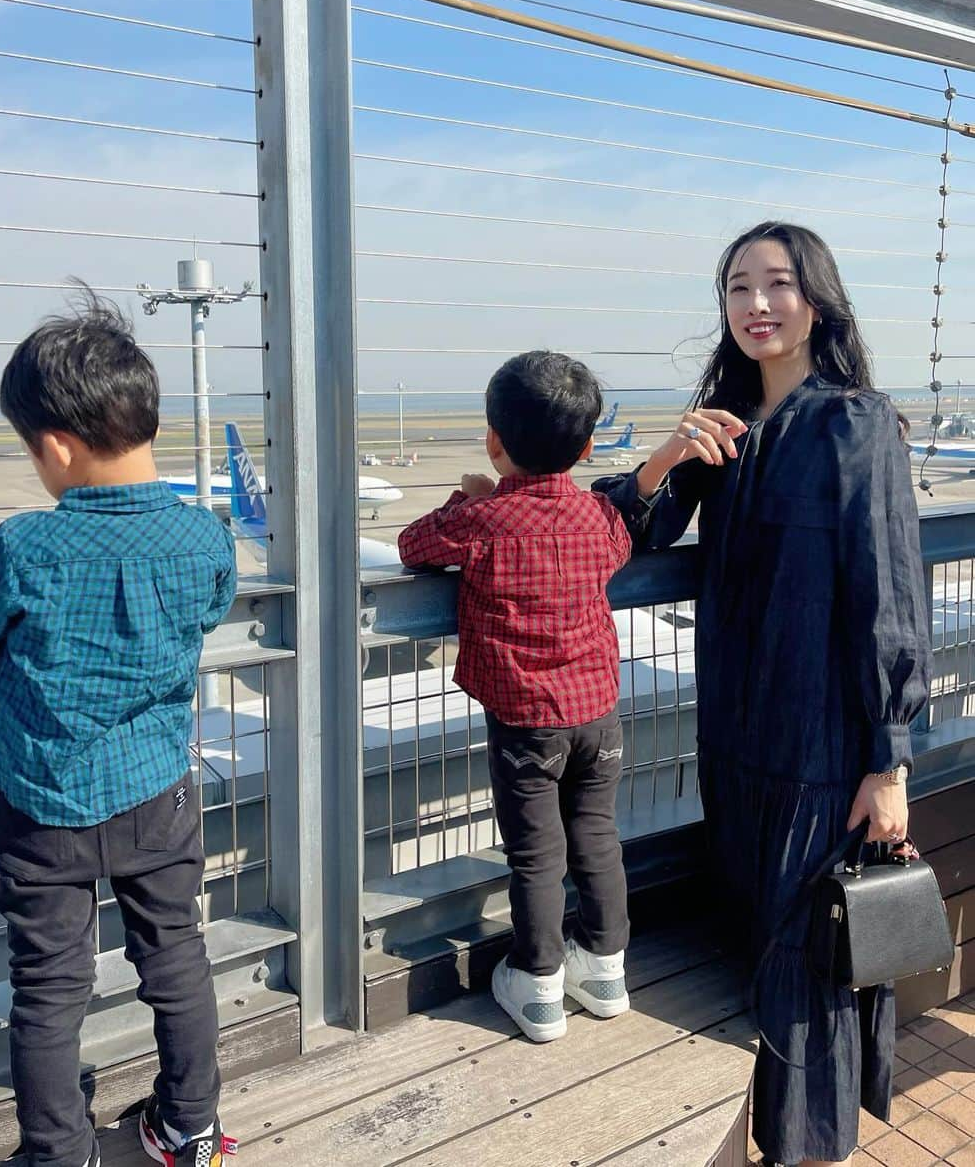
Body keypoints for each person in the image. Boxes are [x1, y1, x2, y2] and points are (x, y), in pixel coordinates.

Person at [594, 222, 931, 1167]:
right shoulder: (726, 426)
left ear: (815, 298)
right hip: (738, 736)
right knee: (771, 947)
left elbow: (889, 596)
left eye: (776, 284)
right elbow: (633, 537)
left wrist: (887, 757)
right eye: (738, 287)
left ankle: (808, 1149)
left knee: (808, 964)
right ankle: (783, 1139)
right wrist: (666, 457)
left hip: (823, 745)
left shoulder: (852, 421)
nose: (755, 304)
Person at [0, 296, 238, 1167]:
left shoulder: (27, 547)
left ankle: (59, 1154)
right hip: (157, 791)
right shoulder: (202, 536)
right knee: (175, 954)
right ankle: (192, 1129)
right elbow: (213, 607)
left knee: (50, 989)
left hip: (45, 805)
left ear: (56, 445)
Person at [398, 350, 633, 1043]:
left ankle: (538, 985)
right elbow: (618, 551)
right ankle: (608, 970)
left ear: (493, 440)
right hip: (598, 713)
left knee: (536, 854)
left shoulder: (484, 521)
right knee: (596, 838)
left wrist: (468, 497)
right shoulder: (597, 517)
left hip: (527, 722)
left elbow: (414, 548)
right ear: (589, 447)